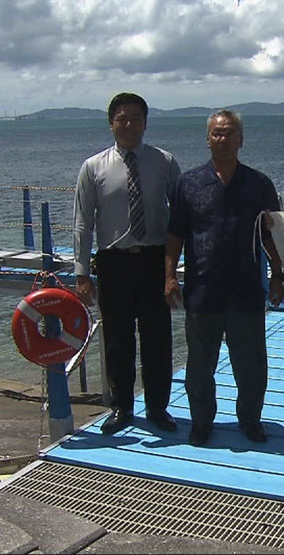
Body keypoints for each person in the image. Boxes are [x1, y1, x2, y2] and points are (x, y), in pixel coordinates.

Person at [164, 109, 284, 446]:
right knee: (200, 365)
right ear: (207, 139)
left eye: (229, 133)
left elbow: (271, 235)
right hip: (203, 289)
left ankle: (250, 419)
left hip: (247, 289)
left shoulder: (260, 184)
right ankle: (202, 421)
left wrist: (277, 274)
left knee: (251, 364)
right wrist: (169, 276)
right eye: (217, 133)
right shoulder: (187, 183)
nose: (223, 138)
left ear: (241, 139)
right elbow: (175, 234)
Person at [73, 92, 180, 435]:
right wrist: (82, 274)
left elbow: (179, 218)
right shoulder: (93, 167)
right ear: (111, 124)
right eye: (123, 118)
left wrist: (175, 269)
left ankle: (158, 408)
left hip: (153, 260)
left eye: (136, 118)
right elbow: (82, 222)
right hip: (113, 263)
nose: (129, 124)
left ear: (146, 123)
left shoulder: (164, 162)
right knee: (118, 341)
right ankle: (121, 407)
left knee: (157, 339)